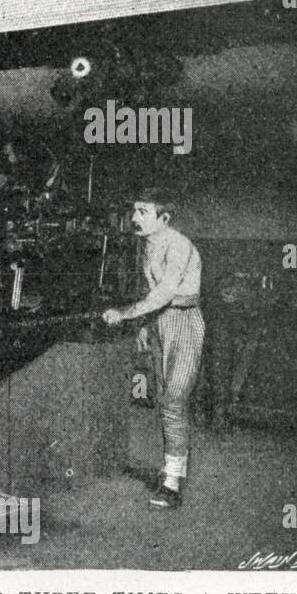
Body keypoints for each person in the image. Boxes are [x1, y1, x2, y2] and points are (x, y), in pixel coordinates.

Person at [102, 188, 203, 509]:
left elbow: (166, 292)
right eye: (134, 211)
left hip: (184, 321)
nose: (134, 218)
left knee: (174, 400)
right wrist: (145, 325)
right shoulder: (148, 244)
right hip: (160, 322)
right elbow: (152, 291)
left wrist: (127, 314)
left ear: (164, 218)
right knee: (165, 401)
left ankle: (172, 484)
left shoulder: (179, 244)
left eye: (142, 212)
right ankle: (172, 470)